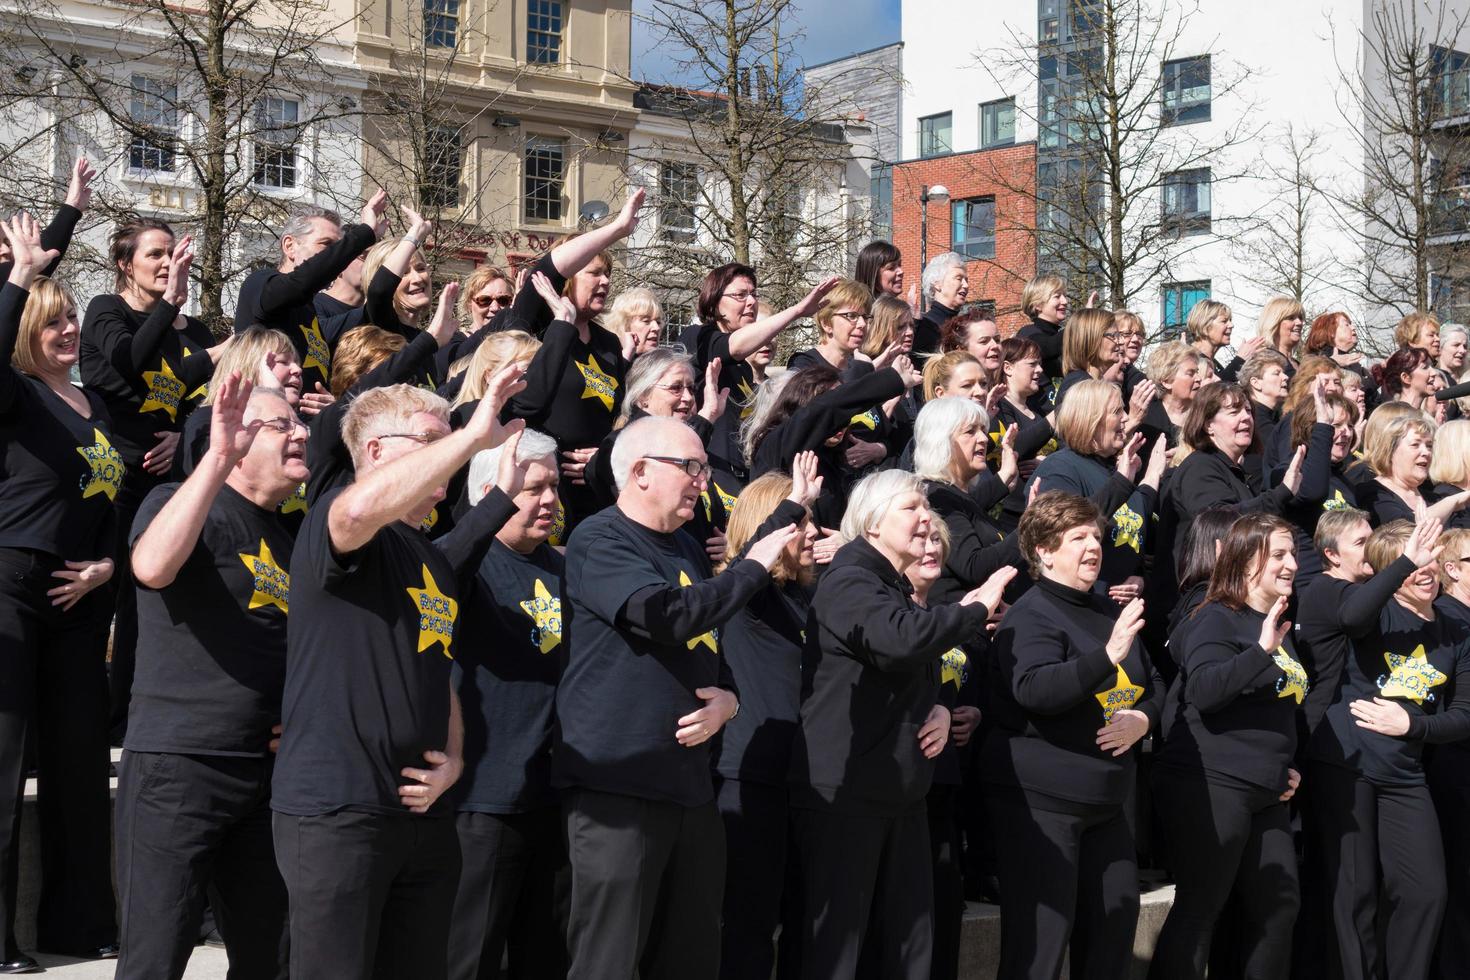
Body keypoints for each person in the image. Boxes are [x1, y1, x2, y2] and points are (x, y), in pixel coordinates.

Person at [270, 369, 526, 980]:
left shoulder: (430, 558)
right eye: (431, 444)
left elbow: (439, 669)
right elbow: (359, 510)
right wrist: (469, 438)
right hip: (339, 810)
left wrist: (456, 758)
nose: (446, 469)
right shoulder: (339, 520)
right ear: (378, 452)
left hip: (421, 812)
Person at [554, 416, 799, 980]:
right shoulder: (601, 538)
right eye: (689, 466)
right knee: (609, 960)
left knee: (690, 954)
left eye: (704, 467)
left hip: (689, 787)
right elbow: (666, 617)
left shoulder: (687, 545)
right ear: (639, 471)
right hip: (618, 785)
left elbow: (710, 647)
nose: (701, 479)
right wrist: (755, 566)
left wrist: (730, 703)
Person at [789, 469, 1014, 980]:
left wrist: (934, 705)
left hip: (900, 792)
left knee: (910, 945)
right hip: (847, 797)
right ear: (871, 525)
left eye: (927, 509)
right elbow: (898, 641)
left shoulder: (891, 586)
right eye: (911, 508)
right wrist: (975, 605)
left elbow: (899, 662)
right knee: (838, 952)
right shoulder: (849, 578)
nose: (925, 518)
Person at [117, 376, 307, 980]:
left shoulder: (287, 534)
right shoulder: (177, 501)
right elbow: (150, 565)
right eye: (284, 424)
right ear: (238, 438)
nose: (303, 431)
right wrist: (216, 460)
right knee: (156, 955)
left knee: (271, 956)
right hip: (181, 768)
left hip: (264, 774)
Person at [0, 214, 119, 972]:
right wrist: (18, 277)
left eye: (74, 316)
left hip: (84, 593)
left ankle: (79, 923)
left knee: (80, 763)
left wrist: (110, 564)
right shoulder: (12, 393)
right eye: (54, 322)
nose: (70, 330)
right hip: (12, 577)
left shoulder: (93, 405)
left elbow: (114, 500)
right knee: (6, 762)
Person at [981, 491, 1162, 980]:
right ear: (1043, 549)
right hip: (1043, 807)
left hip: (1106, 805)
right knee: (1038, 951)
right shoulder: (1031, 614)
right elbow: (1035, 689)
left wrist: (1144, 719)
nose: (1093, 546)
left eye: (1097, 536)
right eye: (1077, 537)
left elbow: (1157, 684)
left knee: (1112, 937)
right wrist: (1107, 655)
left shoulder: (1107, 610)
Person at [1300, 518, 1470, 980]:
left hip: (1404, 772)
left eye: (1429, 559)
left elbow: (1465, 714)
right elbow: (1352, 618)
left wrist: (1413, 724)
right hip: (1346, 763)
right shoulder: (1371, 611)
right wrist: (1404, 562)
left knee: (1426, 891)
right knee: (1355, 894)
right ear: (1389, 576)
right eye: (1411, 564)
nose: (1424, 570)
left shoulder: (1455, 626)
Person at [1149, 514, 1306, 980]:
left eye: (1292, 553)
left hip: (1266, 791)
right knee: (1200, 911)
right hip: (1212, 785)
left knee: (1279, 907)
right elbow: (1205, 691)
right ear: (1244, 559)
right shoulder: (1214, 616)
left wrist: (1286, 764)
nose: (1292, 564)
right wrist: (1259, 652)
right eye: (1278, 554)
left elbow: (1275, 708)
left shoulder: (1276, 622)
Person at [79, 217, 216, 742]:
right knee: (106, 597)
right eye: (154, 254)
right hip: (111, 479)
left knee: (152, 599)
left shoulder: (193, 332)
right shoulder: (103, 311)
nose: (166, 264)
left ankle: (132, 715)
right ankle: (86, 716)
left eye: (172, 254)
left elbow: (201, 405)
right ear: (124, 263)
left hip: (168, 483)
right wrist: (169, 307)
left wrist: (183, 436)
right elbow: (129, 362)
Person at [447, 428, 570, 980]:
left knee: (543, 954)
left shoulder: (565, 569)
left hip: (554, 794)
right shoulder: (465, 566)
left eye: (554, 486)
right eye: (531, 488)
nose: (549, 500)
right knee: (471, 956)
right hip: (484, 798)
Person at [711, 460, 822, 980]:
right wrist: (789, 505)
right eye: (803, 522)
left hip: (801, 782)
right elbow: (747, 558)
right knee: (749, 926)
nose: (814, 532)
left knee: (805, 922)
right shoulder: (746, 596)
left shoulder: (806, 598)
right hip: (749, 779)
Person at [678, 264, 839, 478]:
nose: (752, 301)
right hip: (705, 473)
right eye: (740, 295)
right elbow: (733, 346)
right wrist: (797, 311)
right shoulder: (697, 338)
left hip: (741, 474)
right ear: (715, 302)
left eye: (753, 294)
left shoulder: (744, 367)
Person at [234, 195, 388, 399]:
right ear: (289, 246)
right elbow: (300, 284)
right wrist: (363, 234)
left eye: (338, 247)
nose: (337, 258)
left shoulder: (310, 310)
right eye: (327, 245)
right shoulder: (260, 283)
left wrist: (329, 407)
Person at [1029, 379, 1168, 597]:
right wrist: (1122, 481)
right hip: (1079, 612)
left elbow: (1131, 530)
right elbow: (1066, 530)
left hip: (1119, 615)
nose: (1125, 418)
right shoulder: (1060, 468)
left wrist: (1140, 578)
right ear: (1090, 420)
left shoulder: (1115, 469)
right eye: (1117, 411)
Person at [1354, 413, 1470, 527]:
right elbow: (1401, 528)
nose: (1426, 452)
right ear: (1390, 451)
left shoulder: (1435, 498)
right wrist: (1450, 502)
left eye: (1429, 446)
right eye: (1415, 445)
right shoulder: (1372, 493)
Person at [787, 278, 875, 379]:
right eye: (851, 316)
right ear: (826, 323)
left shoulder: (858, 364)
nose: (862, 324)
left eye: (864, 317)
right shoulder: (804, 364)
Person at [1016, 274, 1070, 402]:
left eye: (1064, 296)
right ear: (1037, 305)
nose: (1065, 301)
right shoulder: (1028, 334)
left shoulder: (1058, 334)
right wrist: (1082, 324)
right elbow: (1048, 346)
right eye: (1057, 296)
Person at [917, 253, 968, 359]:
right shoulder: (924, 327)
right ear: (937, 284)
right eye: (959, 279)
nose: (966, 285)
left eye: (966, 280)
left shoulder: (966, 327)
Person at [939, 310, 1003, 386]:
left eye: (997, 340)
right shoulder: (954, 395)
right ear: (961, 350)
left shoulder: (1003, 392)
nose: (995, 345)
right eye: (984, 341)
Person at [1370, 346, 1438, 413]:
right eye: (1425, 367)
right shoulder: (1395, 420)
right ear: (1406, 377)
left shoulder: (1425, 417)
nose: (1434, 373)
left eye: (1432, 366)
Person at [603, 287, 663, 354]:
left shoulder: (667, 363)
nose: (656, 327)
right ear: (624, 325)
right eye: (646, 321)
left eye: (658, 322)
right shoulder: (605, 360)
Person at [1258, 297, 1308, 376]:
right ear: (1274, 323)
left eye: (1300, 318)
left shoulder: (1300, 365)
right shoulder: (1265, 362)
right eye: (1291, 318)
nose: (1299, 323)